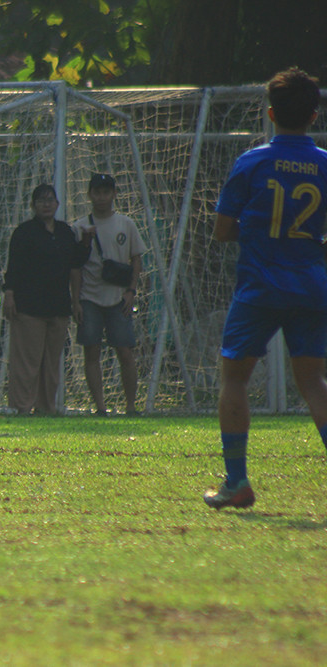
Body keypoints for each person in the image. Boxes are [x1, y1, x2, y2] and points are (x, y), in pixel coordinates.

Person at [204, 67, 327, 510]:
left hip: (259, 286)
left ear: (271, 113)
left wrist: (260, 233)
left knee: (234, 378)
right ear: (314, 115)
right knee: (313, 380)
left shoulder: (252, 162)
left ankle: (236, 482)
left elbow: (222, 231)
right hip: (311, 285)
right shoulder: (324, 165)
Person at [2, 184, 91, 414]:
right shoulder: (24, 232)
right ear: (32, 205)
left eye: (50, 199)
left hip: (58, 307)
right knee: (27, 362)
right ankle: (21, 407)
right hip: (28, 307)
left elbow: (75, 263)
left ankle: (46, 407)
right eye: (41, 200)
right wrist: (9, 295)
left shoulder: (64, 232)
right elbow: (13, 267)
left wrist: (87, 241)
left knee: (51, 363)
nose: (46, 204)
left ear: (57, 204)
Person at [72, 173, 147, 416]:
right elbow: (75, 267)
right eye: (97, 192)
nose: (101, 197)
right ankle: (100, 408)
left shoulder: (126, 224)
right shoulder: (80, 226)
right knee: (91, 351)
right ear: (89, 194)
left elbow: (136, 260)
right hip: (89, 298)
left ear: (114, 194)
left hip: (119, 299)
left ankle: (131, 406)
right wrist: (76, 301)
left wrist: (131, 292)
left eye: (106, 192)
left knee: (125, 351)